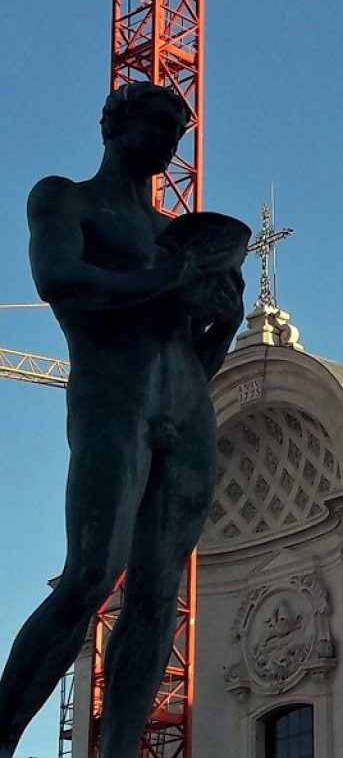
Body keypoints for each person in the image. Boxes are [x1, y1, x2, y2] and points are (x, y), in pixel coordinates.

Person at [0, 82, 248, 758]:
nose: (170, 143)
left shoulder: (176, 234)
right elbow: (60, 279)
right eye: (158, 126)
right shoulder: (66, 198)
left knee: (159, 592)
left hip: (186, 410)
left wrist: (224, 322)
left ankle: (117, 752)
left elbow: (193, 357)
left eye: (178, 132)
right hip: (114, 399)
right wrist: (167, 282)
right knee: (89, 573)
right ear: (115, 125)